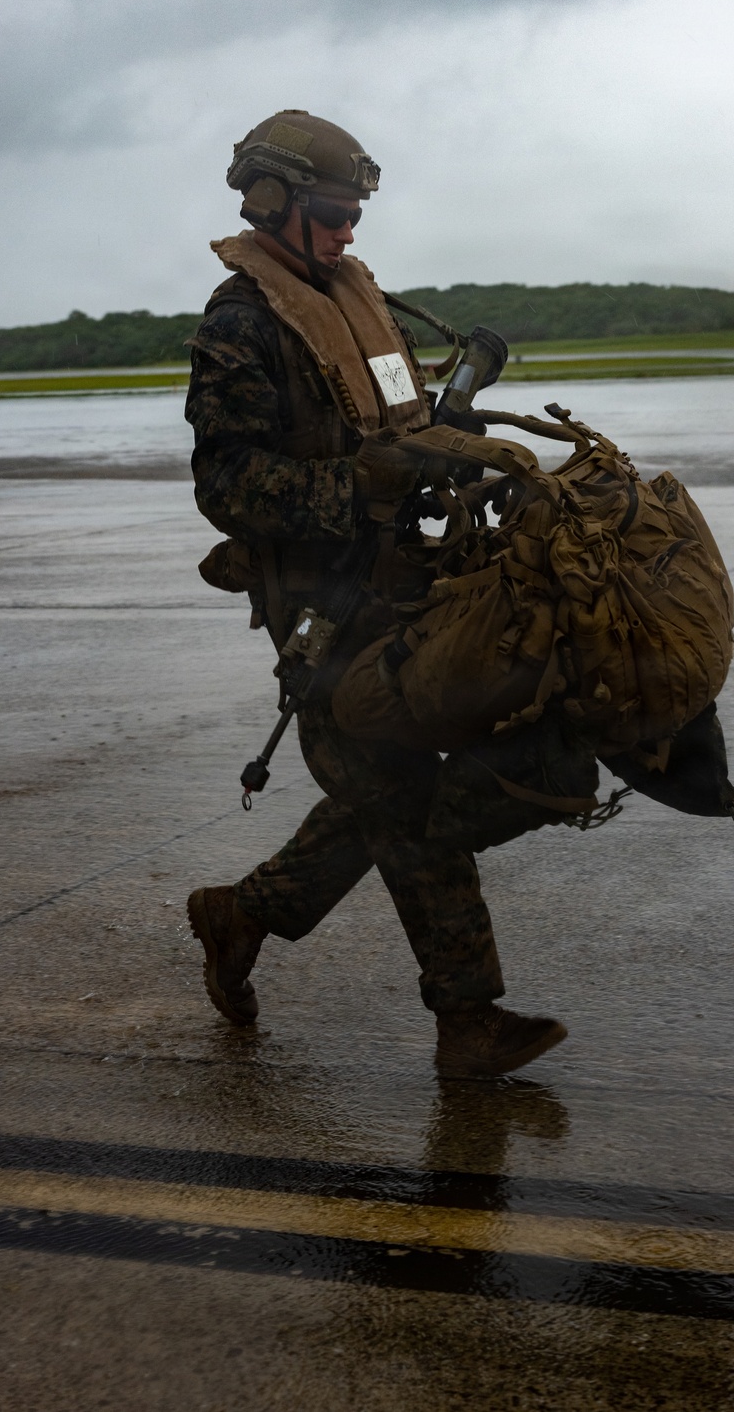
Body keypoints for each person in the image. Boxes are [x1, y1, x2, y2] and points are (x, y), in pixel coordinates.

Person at [184, 110, 567, 1076]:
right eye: (331, 211)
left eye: (355, 212)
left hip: (407, 583)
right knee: (401, 799)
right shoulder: (240, 326)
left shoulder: (360, 298)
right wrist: (360, 485)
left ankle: (240, 913)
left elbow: (398, 422)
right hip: (323, 605)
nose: (349, 231)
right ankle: (468, 1022)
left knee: (376, 792)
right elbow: (227, 486)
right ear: (270, 203)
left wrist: (453, 457)